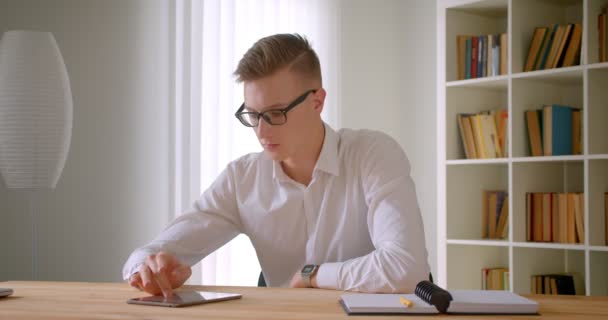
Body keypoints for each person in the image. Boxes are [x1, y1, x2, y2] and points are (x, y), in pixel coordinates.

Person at [123, 33, 430, 297]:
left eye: (275, 113)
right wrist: (148, 269)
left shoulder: (374, 154)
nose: (262, 130)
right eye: (253, 114)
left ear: (317, 102)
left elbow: (406, 267)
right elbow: (147, 253)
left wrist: (312, 274)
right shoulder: (241, 179)